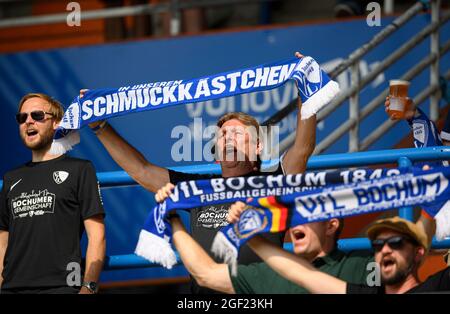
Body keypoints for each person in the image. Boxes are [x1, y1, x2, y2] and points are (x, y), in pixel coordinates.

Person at [86, 52, 317, 293]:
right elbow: (141, 170)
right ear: (217, 154)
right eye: (223, 135)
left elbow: (303, 147)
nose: (228, 139)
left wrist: (304, 84)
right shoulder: (198, 188)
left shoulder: (275, 180)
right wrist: (99, 127)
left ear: (258, 146)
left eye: (237, 134)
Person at [154, 183, 373, 294]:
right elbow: (205, 274)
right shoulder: (268, 273)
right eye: (292, 215)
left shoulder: (365, 267)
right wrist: (173, 217)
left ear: (331, 225)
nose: (294, 223)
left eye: (304, 214)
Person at [0, 93, 106, 294]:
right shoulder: (11, 178)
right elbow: (2, 237)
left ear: (56, 122)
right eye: (22, 118)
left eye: (37, 115)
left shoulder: (80, 169)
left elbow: (97, 235)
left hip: (62, 287)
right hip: (12, 289)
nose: (28, 121)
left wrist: (89, 288)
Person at [230, 212, 449, 294]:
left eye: (395, 242)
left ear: (420, 253)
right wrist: (249, 234)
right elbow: (304, 275)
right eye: (378, 245)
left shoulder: (436, 288)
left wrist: (431, 212)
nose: (385, 250)